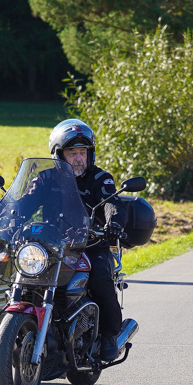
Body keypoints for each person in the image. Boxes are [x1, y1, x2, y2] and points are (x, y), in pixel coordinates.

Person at [48, 118, 126, 361]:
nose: (79, 158)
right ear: (59, 155)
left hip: (90, 245)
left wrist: (113, 223)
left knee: (101, 279)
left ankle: (109, 334)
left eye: (83, 152)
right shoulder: (46, 178)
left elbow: (112, 202)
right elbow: (23, 201)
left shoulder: (100, 178)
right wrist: (9, 217)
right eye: (72, 153)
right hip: (51, 246)